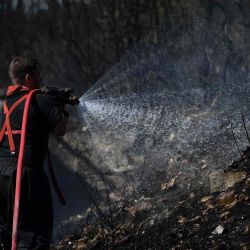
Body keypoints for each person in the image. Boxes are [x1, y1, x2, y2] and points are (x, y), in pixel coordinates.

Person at [0, 57, 68, 249]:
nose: (41, 79)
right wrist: (59, 105)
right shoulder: (38, 101)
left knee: (10, 232)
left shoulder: (3, 105)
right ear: (29, 78)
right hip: (26, 175)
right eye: (38, 75)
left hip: (2, 175)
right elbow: (60, 129)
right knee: (35, 235)